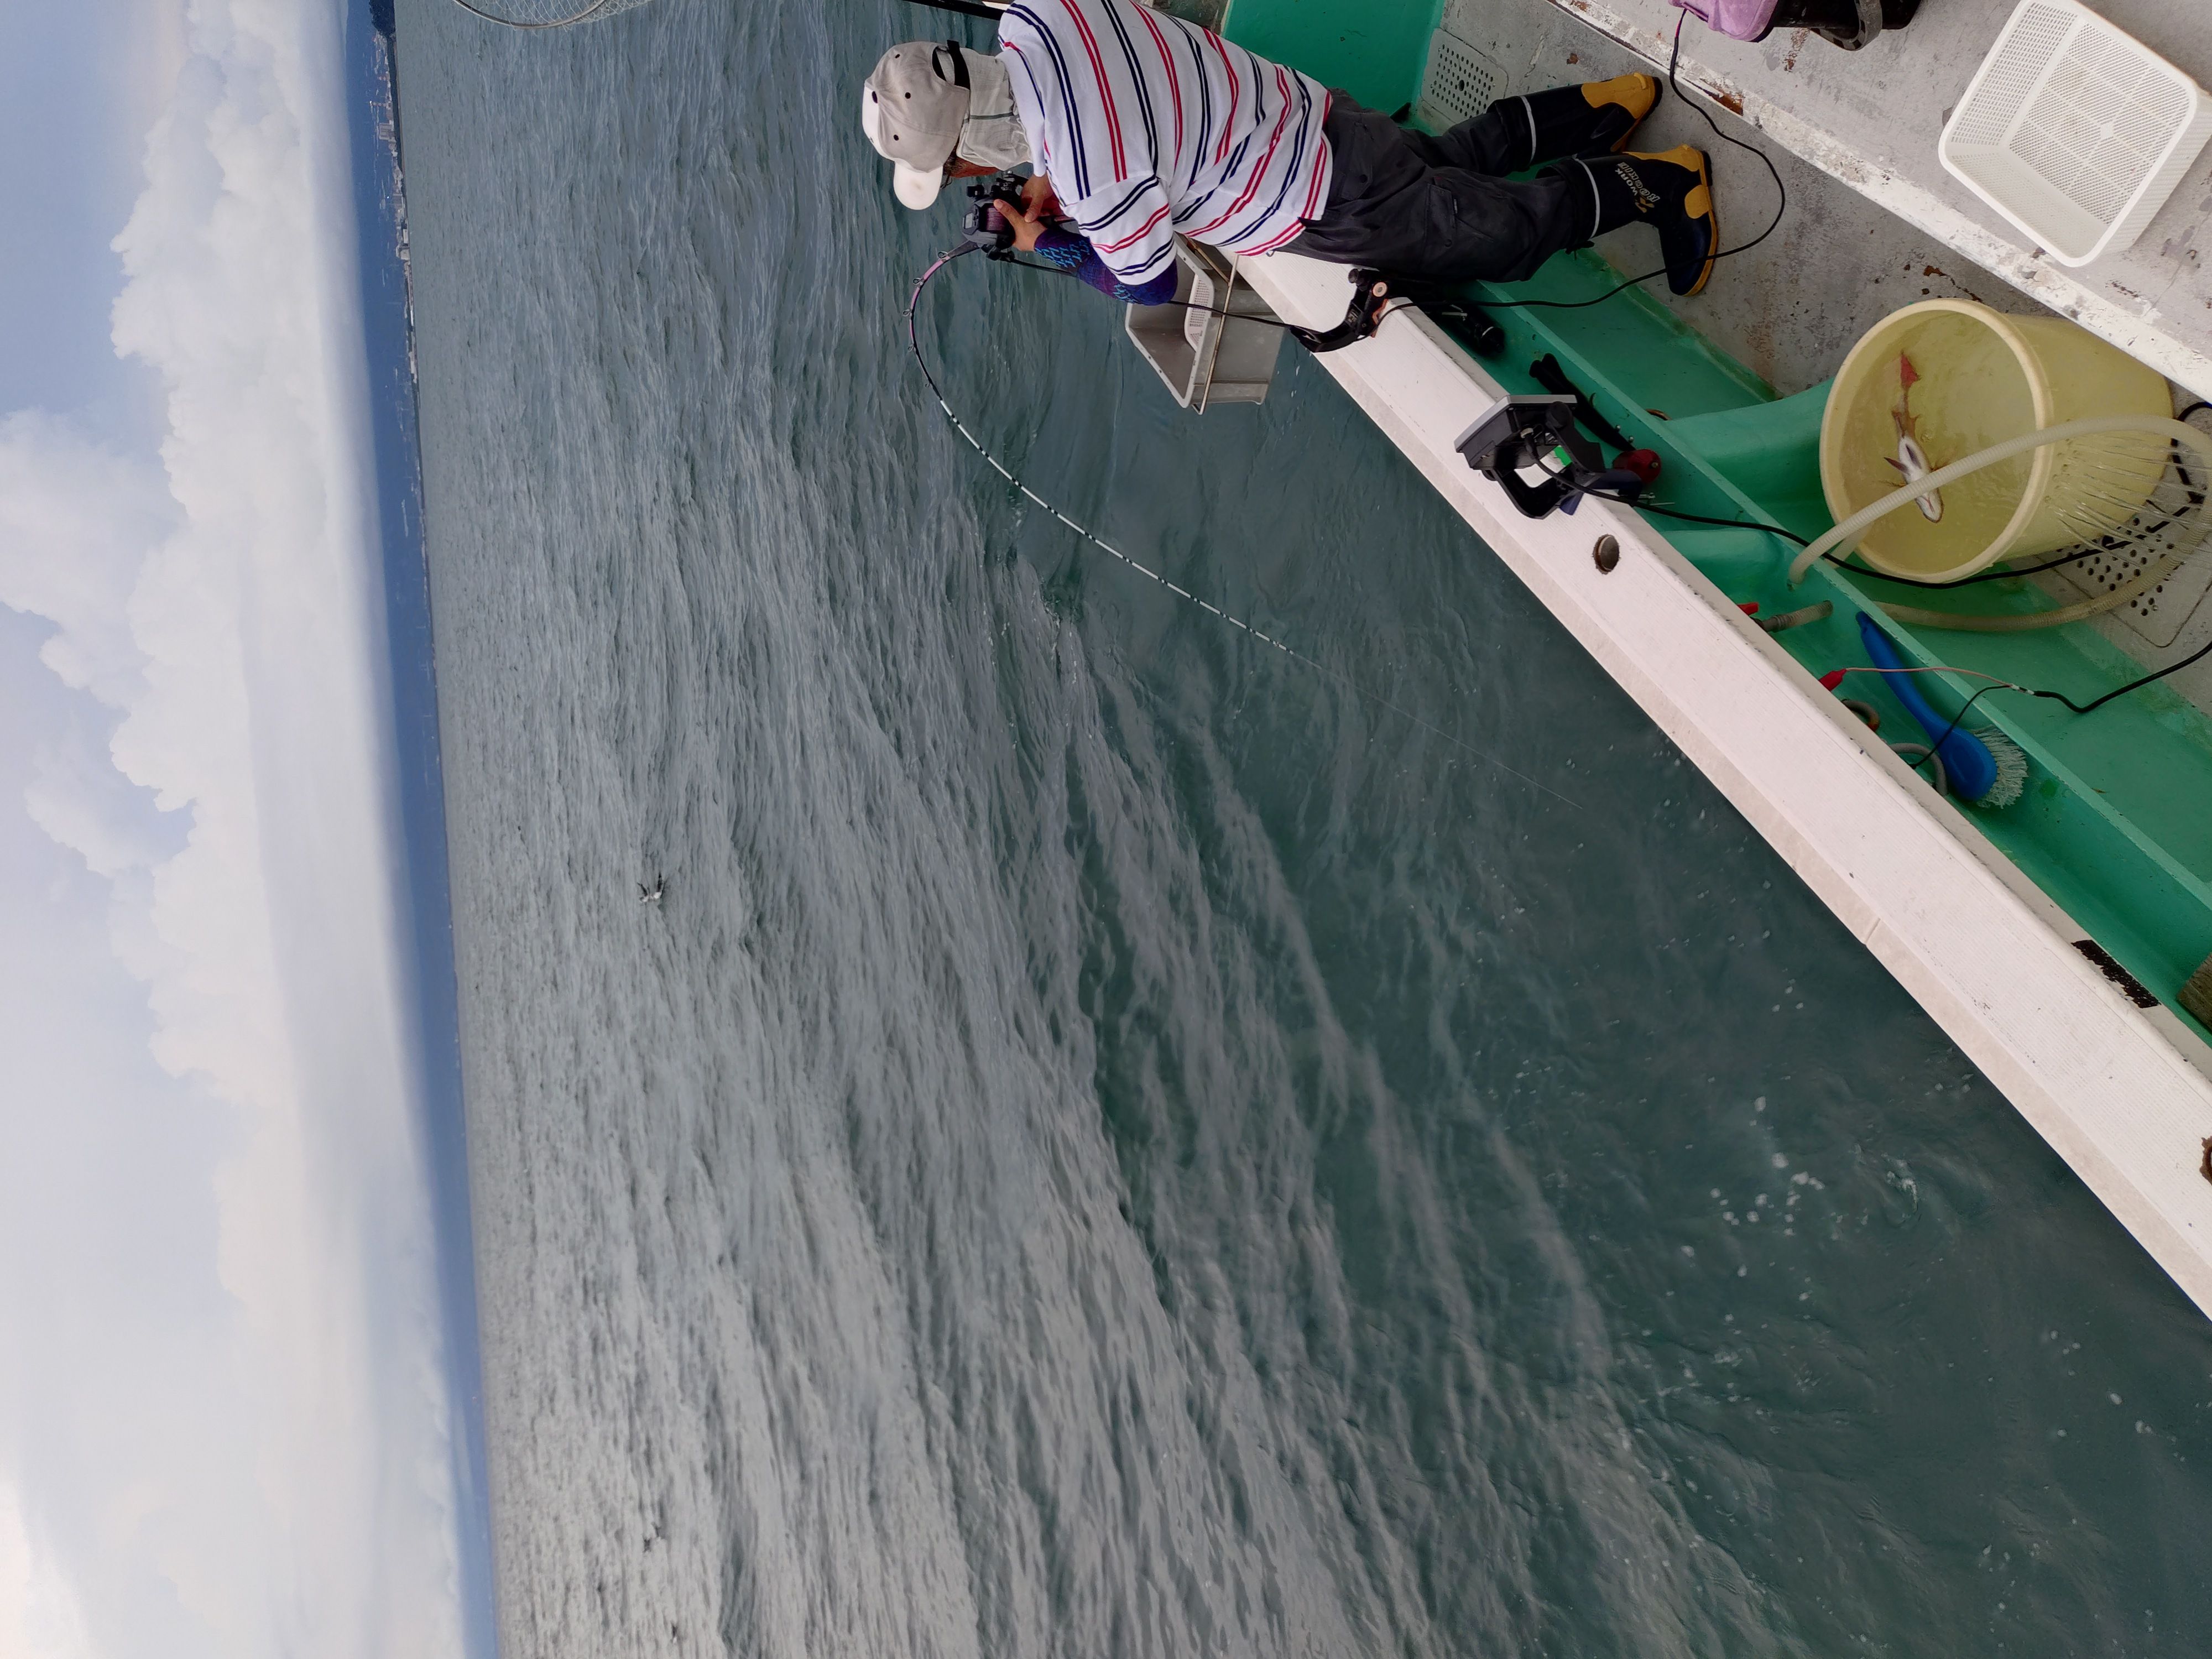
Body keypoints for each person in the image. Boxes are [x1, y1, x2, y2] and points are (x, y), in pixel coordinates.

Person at [859, 0, 1719, 306]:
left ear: (970, 149)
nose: (974, 178)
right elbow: (1086, 98)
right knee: (1440, 160)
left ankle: (1660, 184)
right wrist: (1055, 179)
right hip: (1315, 113)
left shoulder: (1088, 178)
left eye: (955, 167)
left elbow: (1149, 285)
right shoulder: (1035, 14)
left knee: (1502, 236)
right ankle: (1603, 106)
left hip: (1319, 198)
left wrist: (1049, 244)